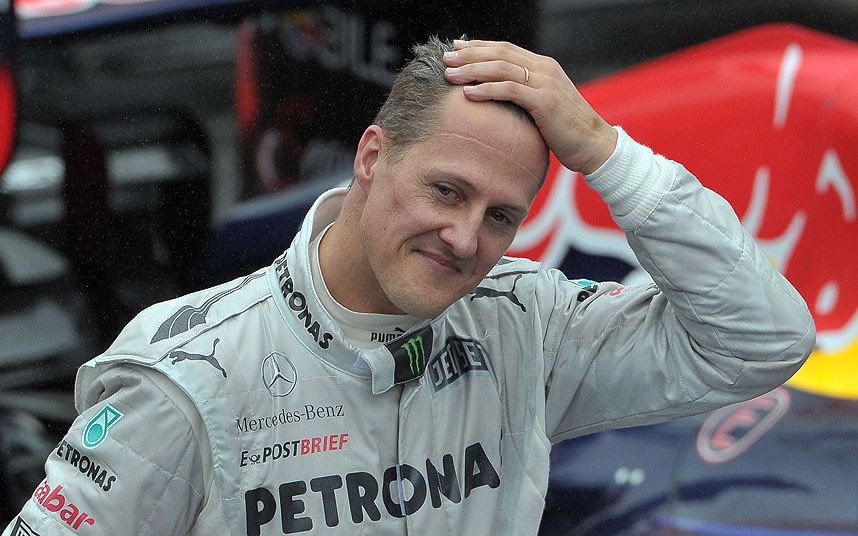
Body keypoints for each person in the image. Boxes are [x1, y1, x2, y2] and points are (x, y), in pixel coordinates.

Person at [3, 36, 814, 536]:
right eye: (446, 191)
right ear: (371, 156)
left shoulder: (527, 325)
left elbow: (762, 340)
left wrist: (608, 154)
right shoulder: (188, 374)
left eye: (501, 216)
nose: (465, 238)